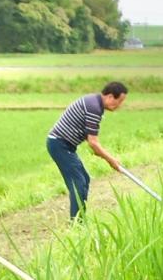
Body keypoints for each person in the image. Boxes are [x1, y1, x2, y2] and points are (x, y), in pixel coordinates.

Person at [46, 81, 128, 220]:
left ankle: (80, 218)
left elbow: (91, 141)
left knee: (84, 179)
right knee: (78, 183)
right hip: (59, 144)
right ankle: (77, 223)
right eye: (119, 101)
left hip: (65, 145)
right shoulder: (94, 107)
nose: (119, 105)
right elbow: (93, 143)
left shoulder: (95, 103)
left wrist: (109, 158)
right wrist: (111, 160)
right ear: (109, 96)